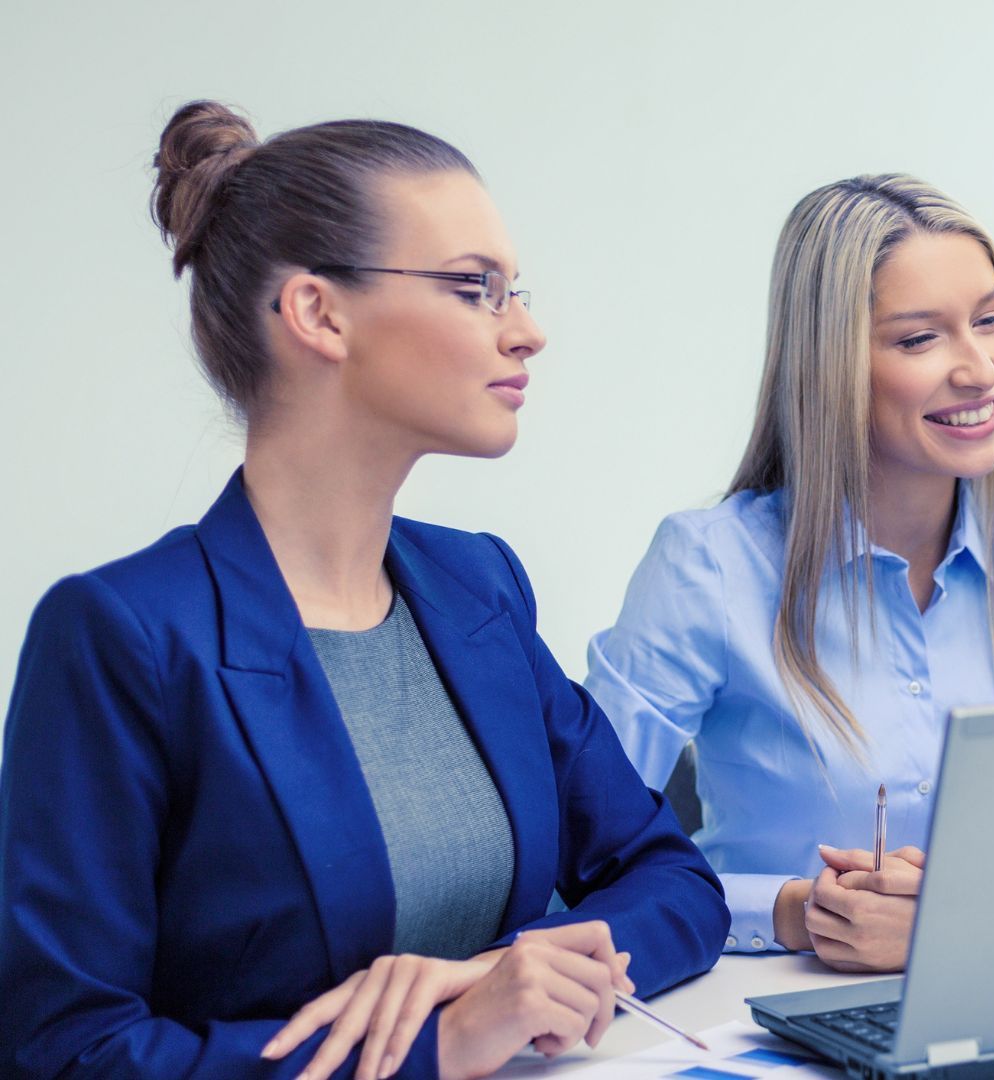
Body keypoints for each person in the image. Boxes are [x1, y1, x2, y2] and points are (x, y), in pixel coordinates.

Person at [0, 101, 727, 1080]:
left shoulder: (479, 585)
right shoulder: (123, 635)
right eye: (477, 288)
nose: (528, 332)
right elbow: (63, 1051)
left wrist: (511, 974)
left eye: (515, 289)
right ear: (320, 313)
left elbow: (672, 877)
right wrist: (442, 1043)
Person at [585, 174, 994, 972]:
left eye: (990, 321)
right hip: (772, 1009)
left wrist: (963, 915)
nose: (981, 369)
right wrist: (796, 912)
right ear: (830, 365)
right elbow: (585, 858)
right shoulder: (709, 565)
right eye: (920, 339)